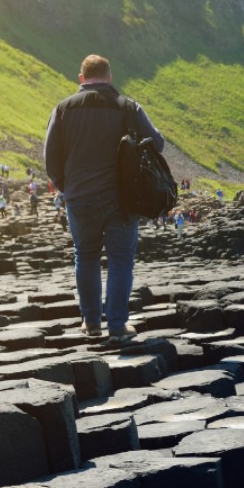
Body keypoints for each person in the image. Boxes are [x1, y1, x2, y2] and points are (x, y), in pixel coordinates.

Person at [43, 54, 163, 344]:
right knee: (121, 260)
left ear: (81, 79)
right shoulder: (128, 107)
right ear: (109, 78)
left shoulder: (63, 109)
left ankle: (92, 323)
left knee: (86, 257)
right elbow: (156, 143)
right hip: (121, 198)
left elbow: (51, 157)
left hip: (79, 196)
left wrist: (65, 186)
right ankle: (118, 324)